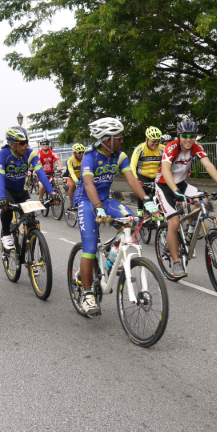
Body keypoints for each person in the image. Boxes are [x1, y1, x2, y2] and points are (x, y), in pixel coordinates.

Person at [73, 117, 161, 316]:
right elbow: (88, 184)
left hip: (105, 200)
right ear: (107, 139)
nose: (122, 141)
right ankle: (87, 295)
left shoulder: (120, 156)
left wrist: (147, 201)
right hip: (87, 201)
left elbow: (132, 180)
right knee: (89, 248)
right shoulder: (89, 157)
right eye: (119, 138)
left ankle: (112, 255)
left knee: (131, 220)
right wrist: (98, 208)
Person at [157, 121, 217, 278]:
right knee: (174, 222)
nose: (188, 140)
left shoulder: (196, 146)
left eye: (192, 136)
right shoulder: (171, 147)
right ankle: (176, 263)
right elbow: (166, 170)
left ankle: (189, 232)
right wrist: (175, 191)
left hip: (181, 184)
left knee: (203, 202)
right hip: (165, 186)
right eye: (184, 136)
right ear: (178, 135)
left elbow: (208, 165)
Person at [0, 127, 59, 250]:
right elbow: (0, 177)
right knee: (7, 207)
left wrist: (52, 192)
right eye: (22, 143)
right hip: (6, 190)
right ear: (12, 144)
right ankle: (6, 233)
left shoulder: (30, 154)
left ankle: (28, 250)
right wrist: (2, 198)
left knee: (31, 220)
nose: (25, 146)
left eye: (27, 142)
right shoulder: (2, 155)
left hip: (21, 191)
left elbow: (41, 173)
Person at [130, 126, 165, 216]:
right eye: (153, 141)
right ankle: (140, 209)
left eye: (158, 141)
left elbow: (169, 163)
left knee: (161, 192)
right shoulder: (140, 149)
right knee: (142, 190)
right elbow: (133, 164)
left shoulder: (162, 148)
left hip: (157, 176)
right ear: (147, 139)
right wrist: (135, 179)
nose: (156, 143)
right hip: (143, 175)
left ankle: (160, 209)